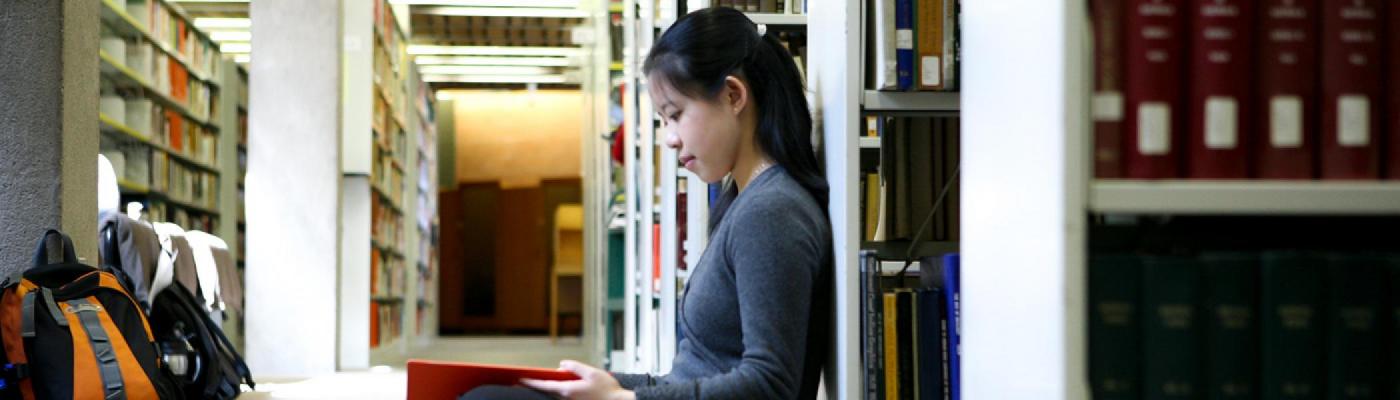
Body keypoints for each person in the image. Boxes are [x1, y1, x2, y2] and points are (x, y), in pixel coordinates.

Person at [461, 6, 830, 399]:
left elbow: (771, 386)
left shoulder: (771, 213)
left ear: (733, 94)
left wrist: (623, 398)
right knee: (491, 391)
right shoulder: (748, 201)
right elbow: (692, 375)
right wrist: (605, 383)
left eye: (675, 115)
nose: (669, 139)